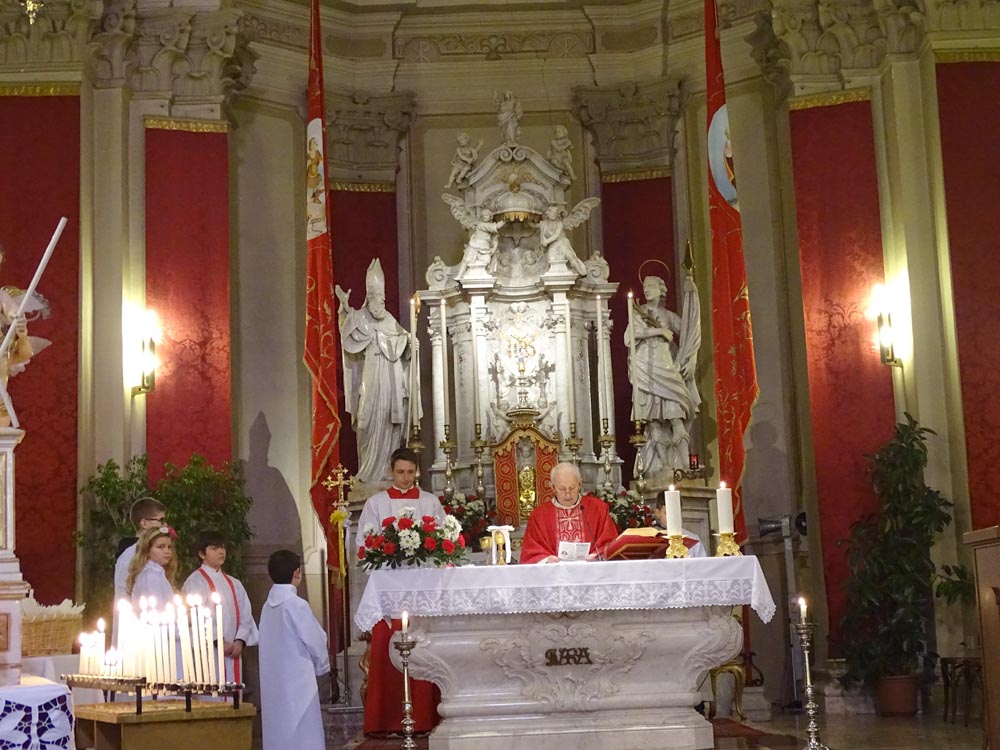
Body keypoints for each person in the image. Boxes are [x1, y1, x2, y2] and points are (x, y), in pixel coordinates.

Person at [357, 447, 444, 736]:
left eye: (410, 472)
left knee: (424, 650)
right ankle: (384, 720)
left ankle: (425, 718)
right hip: (389, 590)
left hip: (423, 589)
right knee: (386, 650)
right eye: (400, 472)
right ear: (391, 471)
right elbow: (364, 544)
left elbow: (443, 539)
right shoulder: (376, 503)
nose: (405, 478)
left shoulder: (430, 502)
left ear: (416, 471)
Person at [336, 259, 411, 484]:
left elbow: (403, 340)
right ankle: (367, 470)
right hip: (370, 373)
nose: (381, 303)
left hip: (389, 378)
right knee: (366, 419)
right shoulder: (359, 317)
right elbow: (347, 335)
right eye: (377, 298)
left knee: (389, 419)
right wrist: (344, 310)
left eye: (383, 298)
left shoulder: (389, 319)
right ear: (369, 297)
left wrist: (410, 344)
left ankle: (388, 470)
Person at [625, 274, 701, 477]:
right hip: (646, 370)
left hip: (666, 368)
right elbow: (628, 337)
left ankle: (684, 466)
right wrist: (659, 332)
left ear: (661, 290)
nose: (647, 289)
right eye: (645, 286)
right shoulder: (638, 313)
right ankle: (664, 467)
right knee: (654, 423)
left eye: (651, 286)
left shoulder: (668, 315)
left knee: (676, 418)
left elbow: (689, 331)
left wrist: (691, 295)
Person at [260, 550, 331, 749]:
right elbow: (315, 639)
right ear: (297, 572)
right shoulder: (296, 605)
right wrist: (322, 666)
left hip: (273, 681)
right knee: (303, 730)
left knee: (278, 727)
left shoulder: (267, 607)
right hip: (299, 681)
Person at [181, 530, 259, 687]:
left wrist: (239, 641)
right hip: (209, 650)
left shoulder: (234, 583)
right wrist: (218, 641)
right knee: (212, 689)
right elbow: (195, 617)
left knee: (233, 691)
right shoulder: (195, 581)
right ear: (202, 554)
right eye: (214, 548)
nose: (221, 551)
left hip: (234, 650)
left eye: (222, 547)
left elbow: (245, 614)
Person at [520, 462, 618, 564]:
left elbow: (610, 543)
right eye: (562, 489)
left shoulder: (598, 509)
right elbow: (531, 551)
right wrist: (545, 560)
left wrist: (598, 555)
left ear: (580, 484)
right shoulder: (539, 515)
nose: (568, 494)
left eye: (572, 488)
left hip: (591, 570)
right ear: (552, 487)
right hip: (554, 572)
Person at [113, 498, 168, 638]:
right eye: (161, 520)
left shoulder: (141, 552)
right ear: (144, 523)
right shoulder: (135, 555)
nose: (165, 525)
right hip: (139, 629)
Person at [125, 526, 177, 605]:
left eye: (169, 547)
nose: (167, 551)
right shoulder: (150, 575)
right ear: (147, 550)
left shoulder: (157, 572)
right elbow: (157, 607)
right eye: (160, 547)